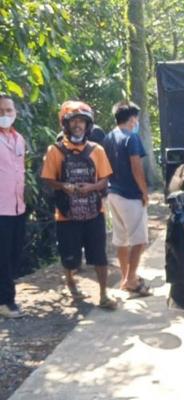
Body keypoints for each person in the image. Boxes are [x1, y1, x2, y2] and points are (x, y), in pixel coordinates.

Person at [41, 101, 117, 310]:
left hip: (94, 213)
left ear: (88, 125)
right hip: (66, 215)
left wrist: (91, 187)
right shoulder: (55, 151)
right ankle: (71, 280)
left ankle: (103, 294)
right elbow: (48, 179)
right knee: (70, 256)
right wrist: (64, 186)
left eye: (82, 121)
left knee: (99, 255)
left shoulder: (97, 150)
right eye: (74, 121)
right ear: (66, 124)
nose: (78, 125)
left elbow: (104, 180)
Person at [102, 100, 151, 296]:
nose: (136, 123)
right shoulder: (132, 138)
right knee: (139, 240)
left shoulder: (108, 138)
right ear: (132, 119)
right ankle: (131, 280)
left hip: (113, 193)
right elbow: (136, 168)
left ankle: (125, 277)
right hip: (131, 195)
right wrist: (144, 192)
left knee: (121, 239)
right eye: (136, 119)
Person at [0, 94, 26, 318]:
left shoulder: (19, 139)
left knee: (15, 253)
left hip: (18, 206)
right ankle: (6, 302)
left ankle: (7, 297)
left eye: (9, 110)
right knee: (3, 256)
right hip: (1, 208)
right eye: (1, 111)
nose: (5, 115)